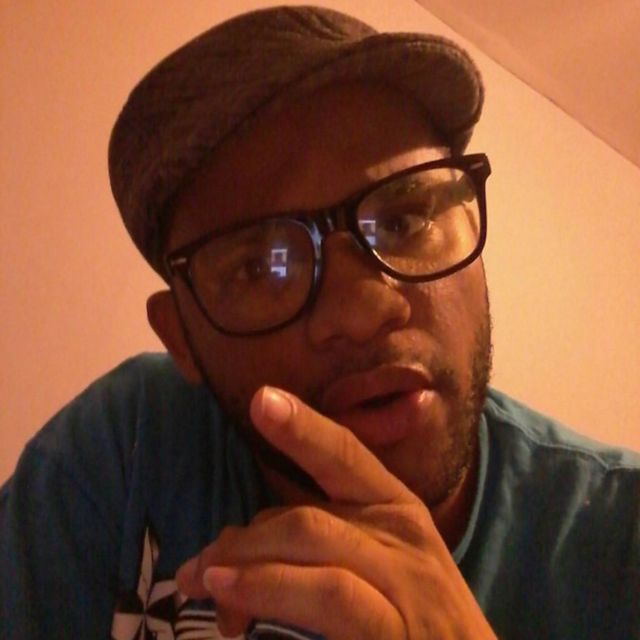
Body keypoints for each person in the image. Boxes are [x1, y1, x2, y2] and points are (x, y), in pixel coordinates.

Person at [1, 5, 638, 639]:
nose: (362, 313)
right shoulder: (123, 451)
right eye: (260, 266)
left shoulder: (620, 540)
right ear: (181, 339)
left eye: (403, 220)